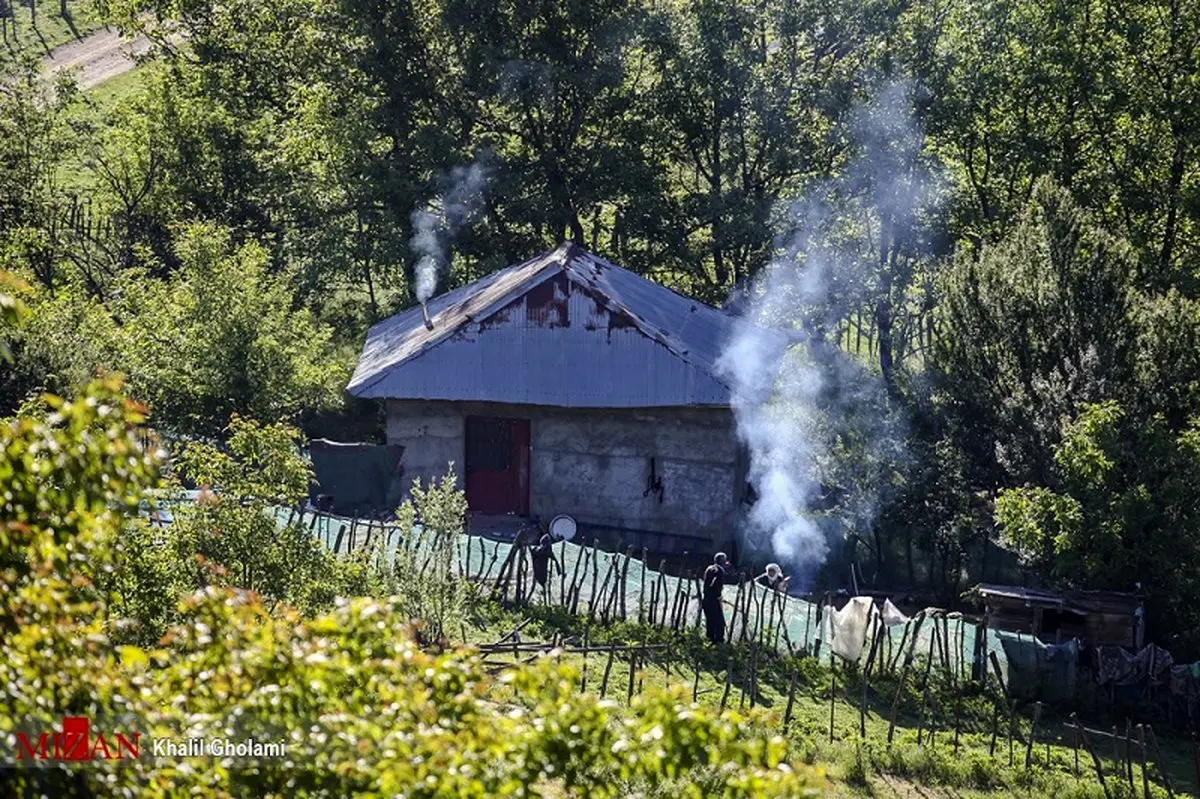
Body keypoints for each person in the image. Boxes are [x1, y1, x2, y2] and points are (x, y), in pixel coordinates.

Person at [702, 552, 729, 644]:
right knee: (719, 622)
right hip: (713, 600)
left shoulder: (709, 568)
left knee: (710, 621)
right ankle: (718, 642)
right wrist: (718, 596)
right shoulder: (719, 571)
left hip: (706, 598)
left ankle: (710, 639)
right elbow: (715, 585)